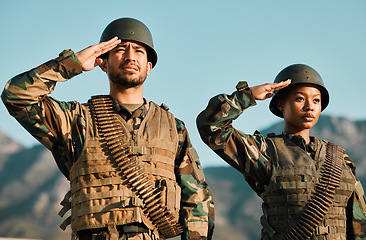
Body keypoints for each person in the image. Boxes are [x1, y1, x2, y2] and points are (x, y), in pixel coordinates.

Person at [2, 17, 214, 240]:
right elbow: (16, 96)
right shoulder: (76, 120)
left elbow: (197, 200)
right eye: (121, 49)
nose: (130, 56)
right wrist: (71, 63)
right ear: (102, 62)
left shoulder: (173, 128)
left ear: (149, 67)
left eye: (139, 51)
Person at [196, 63, 366, 239]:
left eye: (316, 100)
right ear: (280, 104)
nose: (310, 106)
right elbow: (210, 126)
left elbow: (360, 225)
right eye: (300, 98)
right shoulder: (265, 152)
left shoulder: (340, 158)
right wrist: (246, 96)